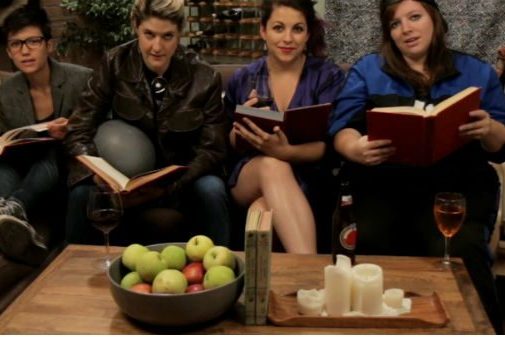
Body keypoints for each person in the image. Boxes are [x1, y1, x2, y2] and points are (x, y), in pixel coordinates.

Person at [329, 0, 505, 332]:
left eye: (414, 17)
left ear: (435, 20)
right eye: (395, 24)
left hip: (455, 192)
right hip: (382, 187)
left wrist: (490, 130)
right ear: (388, 33)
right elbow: (342, 128)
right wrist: (354, 147)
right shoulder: (368, 69)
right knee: (371, 242)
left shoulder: (476, 72)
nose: (406, 29)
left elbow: (501, 145)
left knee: (459, 248)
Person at [64, 0, 230, 246]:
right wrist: (101, 174)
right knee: (81, 193)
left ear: (180, 34)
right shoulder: (115, 62)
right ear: (135, 27)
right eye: (149, 34)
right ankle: (71, 276)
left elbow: (213, 149)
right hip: (124, 181)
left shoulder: (205, 77)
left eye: (167, 36)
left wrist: (170, 187)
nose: (157, 47)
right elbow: (78, 129)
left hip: (183, 182)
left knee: (212, 189)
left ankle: (223, 272)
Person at [224, 0, 345, 254]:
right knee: (271, 165)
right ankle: (309, 272)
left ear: (308, 34)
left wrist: (286, 152)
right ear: (263, 31)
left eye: (297, 29)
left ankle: (266, 287)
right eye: (278, 28)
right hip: (249, 174)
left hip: (310, 176)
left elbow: (329, 147)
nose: (288, 38)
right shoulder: (244, 78)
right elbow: (229, 145)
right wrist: (242, 128)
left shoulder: (327, 76)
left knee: (262, 209)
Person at [0, 5, 92, 265]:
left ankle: (15, 208)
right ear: (9, 52)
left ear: (49, 45)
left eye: (33, 41)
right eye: (16, 44)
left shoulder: (81, 79)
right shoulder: (6, 93)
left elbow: (100, 127)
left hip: (67, 170)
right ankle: (6, 217)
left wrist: (68, 130)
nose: (25, 50)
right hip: (22, 169)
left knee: (50, 148)